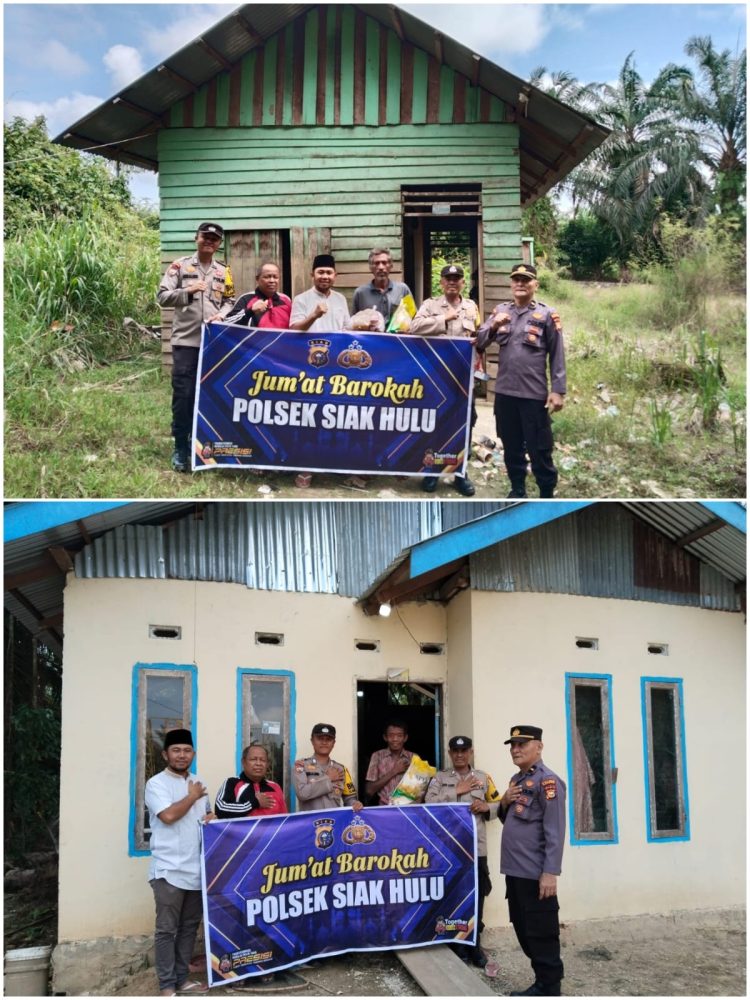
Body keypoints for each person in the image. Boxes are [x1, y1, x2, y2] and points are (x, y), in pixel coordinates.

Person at [475, 264, 566, 499]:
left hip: (533, 395)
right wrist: (494, 325)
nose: (520, 284)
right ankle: (517, 488)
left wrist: (558, 390)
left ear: (535, 284)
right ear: (510, 283)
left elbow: (557, 354)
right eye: (516, 279)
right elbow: (480, 342)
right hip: (504, 393)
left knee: (539, 448)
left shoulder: (547, 314)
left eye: (526, 280)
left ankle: (546, 491)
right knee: (511, 445)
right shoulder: (500, 312)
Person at [157, 222, 236, 473]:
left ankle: (203, 446)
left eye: (215, 239)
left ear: (219, 243)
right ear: (196, 238)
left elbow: (230, 300)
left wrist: (222, 315)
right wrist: (187, 291)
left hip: (213, 343)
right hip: (185, 343)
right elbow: (161, 297)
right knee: (184, 395)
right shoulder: (179, 266)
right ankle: (181, 446)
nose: (210, 241)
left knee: (210, 396)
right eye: (206, 237)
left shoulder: (225, 271)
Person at [499, 725, 566, 997]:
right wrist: (504, 800)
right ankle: (541, 981)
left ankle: (549, 987)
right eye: (512, 745)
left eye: (522, 744)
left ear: (538, 746)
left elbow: (555, 830)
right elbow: (509, 819)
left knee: (541, 932)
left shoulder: (548, 782)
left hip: (535, 873)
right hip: (515, 871)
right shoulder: (517, 780)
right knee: (523, 928)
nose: (515, 749)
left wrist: (550, 872)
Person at [425, 735, 501, 975]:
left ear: (470, 752)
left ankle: (474, 945)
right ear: (449, 753)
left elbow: (499, 803)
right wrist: (456, 791)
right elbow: (429, 803)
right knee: (452, 897)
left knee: (477, 897)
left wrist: (486, 807)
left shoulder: (482, 777)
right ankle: (457, 944)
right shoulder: (439, 778)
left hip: (475, 848)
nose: (459, 755)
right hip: (449, 850)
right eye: (455, 751)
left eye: (464, 750)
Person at [144, 728, 211, 997]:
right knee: (166, 930)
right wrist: (192, 796)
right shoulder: (156, 784)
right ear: (165, 754)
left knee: (188, 929)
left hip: (196, 870)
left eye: (186, 750)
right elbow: (169, 816)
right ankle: (167, 985)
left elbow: (203, 817)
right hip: (168, 869)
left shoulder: (197, 781)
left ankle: (182, 979)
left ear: (193, 753)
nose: (182, 755)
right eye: (176, 750)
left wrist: (211, 819)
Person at [410, 264, 480, 497]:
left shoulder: (471, 307)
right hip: (437, 379)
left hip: (463, 378)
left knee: (464, 425)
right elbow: (414, 327)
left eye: (457, 278)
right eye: (448, 278)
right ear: (441, 282)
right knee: (436, 423)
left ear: (462, 282)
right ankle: (432, 470)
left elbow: (478, 337)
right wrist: (443, 318)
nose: (452, 281)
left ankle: (460, 473)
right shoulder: (430, 305)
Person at [293, 723, 363, 811]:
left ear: (334, 743)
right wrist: (328, 779)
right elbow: (302, 793)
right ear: (312, 741)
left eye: (328, 739)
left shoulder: (341, 769)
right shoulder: (302, 766)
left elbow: (349, 798)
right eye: (320, 738)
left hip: (334, 822)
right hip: (310, 823)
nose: (324, 742)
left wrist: (355, 803)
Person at [214, 743, 287, 819]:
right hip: (241, 831)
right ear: (243, 762)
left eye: (263, 760)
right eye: (253, 759)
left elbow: (284, 818)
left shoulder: (275, 787)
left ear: (267, 764)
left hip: (273, 831)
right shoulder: (231, 783)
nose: (258, 763)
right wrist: (254, 803)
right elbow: (220, 809)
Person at [352, 247, 412, 326]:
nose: (381, 267)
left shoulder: (403, 289)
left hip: (396, 337)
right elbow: (353, 323)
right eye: (376, 263)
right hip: (371, 338)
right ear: (371, 267)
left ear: (390, 266)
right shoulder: (360, 293)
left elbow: (412, 316)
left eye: (384, 263)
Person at [289, 255, 350, 333]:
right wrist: (314, 315)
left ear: (335, 276)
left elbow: (347, 327)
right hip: (310, 344)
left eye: (329, 273)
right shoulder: (301, 299)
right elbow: (294, 330)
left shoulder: (340, 298)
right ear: (312, 275)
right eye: (320, 272)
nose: (325, 276)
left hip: (336, 344)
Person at [223, 262, 291, 329]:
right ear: (257, 279)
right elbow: (227, 323)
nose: (272, 280)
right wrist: (250, 311)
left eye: (275, 277)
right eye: (267, 277)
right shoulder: (246, 299)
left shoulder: (286, 300)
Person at [364, 719, 413, 805]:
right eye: (391, 735)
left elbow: (421, 789)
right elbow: (369, 790)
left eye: (399, 736)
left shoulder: (413, 758)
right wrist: (394, 771)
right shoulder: (377, 756)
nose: (395, 739)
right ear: (385, 737)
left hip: (407, 810)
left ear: (405, 738)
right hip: (384, 809)